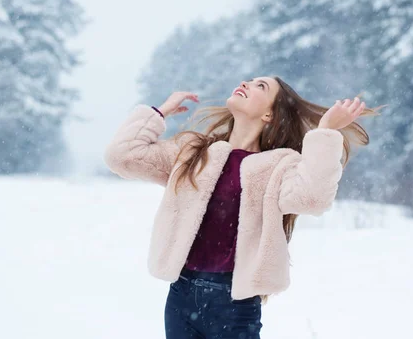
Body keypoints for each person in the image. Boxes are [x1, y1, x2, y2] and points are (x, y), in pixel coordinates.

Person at [104, 76, 378, 339]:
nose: (246, 83)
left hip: (235, 305)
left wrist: (326, 131)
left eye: (261, 86)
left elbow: (313, 199)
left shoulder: (279, 165)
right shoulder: (191, 151)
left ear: (269, 115)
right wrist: (159, 112)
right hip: (181, 297)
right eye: (249, 80)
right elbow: (121, 157)